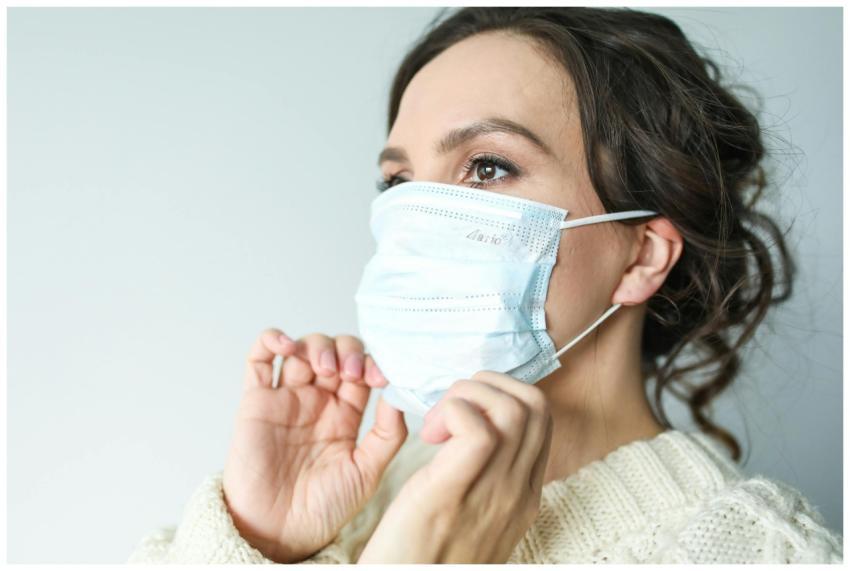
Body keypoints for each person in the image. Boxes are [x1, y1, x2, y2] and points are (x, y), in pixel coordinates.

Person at [128, 7, 843, 564]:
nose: (416, 218)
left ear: (641, 257)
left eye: (487, 167)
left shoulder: (759, 551)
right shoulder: (343, 496)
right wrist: (260, 541)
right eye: (399, 182)